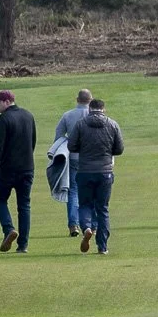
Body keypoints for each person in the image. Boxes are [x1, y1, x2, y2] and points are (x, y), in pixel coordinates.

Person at [66, 98, 123, 254]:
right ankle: (102, 247)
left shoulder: (81, 124)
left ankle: (86, 228)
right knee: (102, 208)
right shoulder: (112, 124)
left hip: (85, 171)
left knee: (85, 204)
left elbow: (71, 146)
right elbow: (119, 149)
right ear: (103, 109)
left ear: (90, 109)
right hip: (105, 172)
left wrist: (84, 149)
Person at [0, 90, 37, 252]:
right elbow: (33, 142)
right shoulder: (28, 115)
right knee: (24, 206)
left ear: (7, 101)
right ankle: (23, 245)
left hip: (8, 169)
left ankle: (8, 229)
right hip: (27, 168)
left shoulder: (4, 119)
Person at [54, 89, 93, 236]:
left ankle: (73, 225)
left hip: (74, 158)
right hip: (91, 159)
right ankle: (92, 225)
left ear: (77, 99)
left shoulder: (68, 115)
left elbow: (58, 136)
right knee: (91, 191)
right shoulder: (94, 115)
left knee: (73, 191)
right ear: (91, 100)